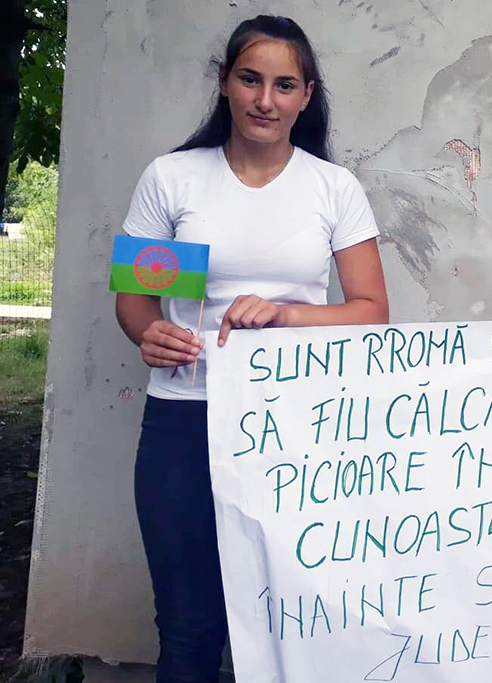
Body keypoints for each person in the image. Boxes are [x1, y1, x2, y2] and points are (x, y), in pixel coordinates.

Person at [114, 15, 388, 681]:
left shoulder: (331, 188)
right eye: (251, 79)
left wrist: (287, 315)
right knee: (189, 623)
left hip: (295, 426)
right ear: (225, 84)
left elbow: (372, 314)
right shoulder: (176, 179)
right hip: (186, 414)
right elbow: (136, 300)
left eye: (284, 84)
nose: (266, 99)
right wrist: (147, 331)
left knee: (295, 624)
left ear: (306, 95)